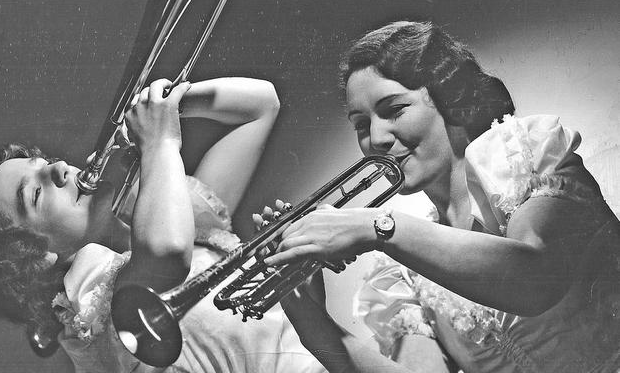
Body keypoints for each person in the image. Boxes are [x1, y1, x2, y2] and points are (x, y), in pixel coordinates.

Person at [263, 21, 620, 373]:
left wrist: (376, 227)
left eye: (393, 110)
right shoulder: (403, 271)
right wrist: (311, 321)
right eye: (361, 124)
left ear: (450, 98)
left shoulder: (526, 153)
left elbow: (536, 277)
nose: (376, 138)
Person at [0, 77, 326, 373]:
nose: (59, 167)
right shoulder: (86, 300)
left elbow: (262, 106)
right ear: (36, 257)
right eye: (35, 194)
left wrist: (163, 105)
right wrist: (159, 141)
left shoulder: (179, 220)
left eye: (42, 161)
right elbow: (167, 255)